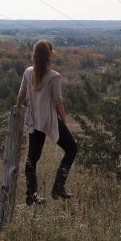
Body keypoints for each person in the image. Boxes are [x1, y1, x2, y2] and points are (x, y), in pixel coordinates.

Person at [15, 40, 77, 205]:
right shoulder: (53, 76)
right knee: (71, 149)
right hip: (49, 120)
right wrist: (63, 121)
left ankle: (31, 194)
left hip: (34, 120)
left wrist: (19, 106)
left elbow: (21, 93)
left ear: (35, 54)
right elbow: (58, 102)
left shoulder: (28, 72)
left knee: (32, 158)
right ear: (50, 54)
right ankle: (58, 187)